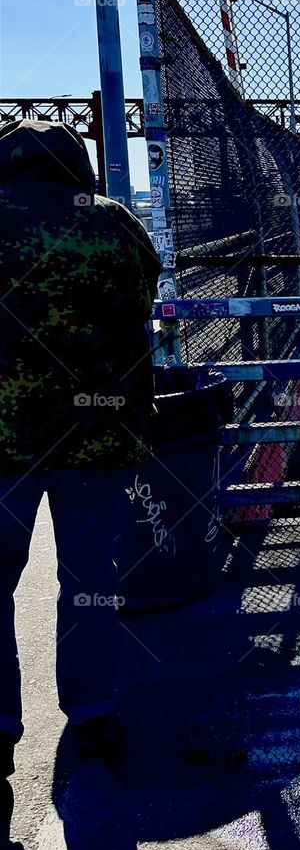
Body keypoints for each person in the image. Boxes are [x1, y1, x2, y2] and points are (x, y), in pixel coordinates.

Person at [0, 120, 160, 775]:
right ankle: (92, 711)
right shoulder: (114, 223)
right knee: (90, 580)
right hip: (96, 440)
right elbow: (143, 302)